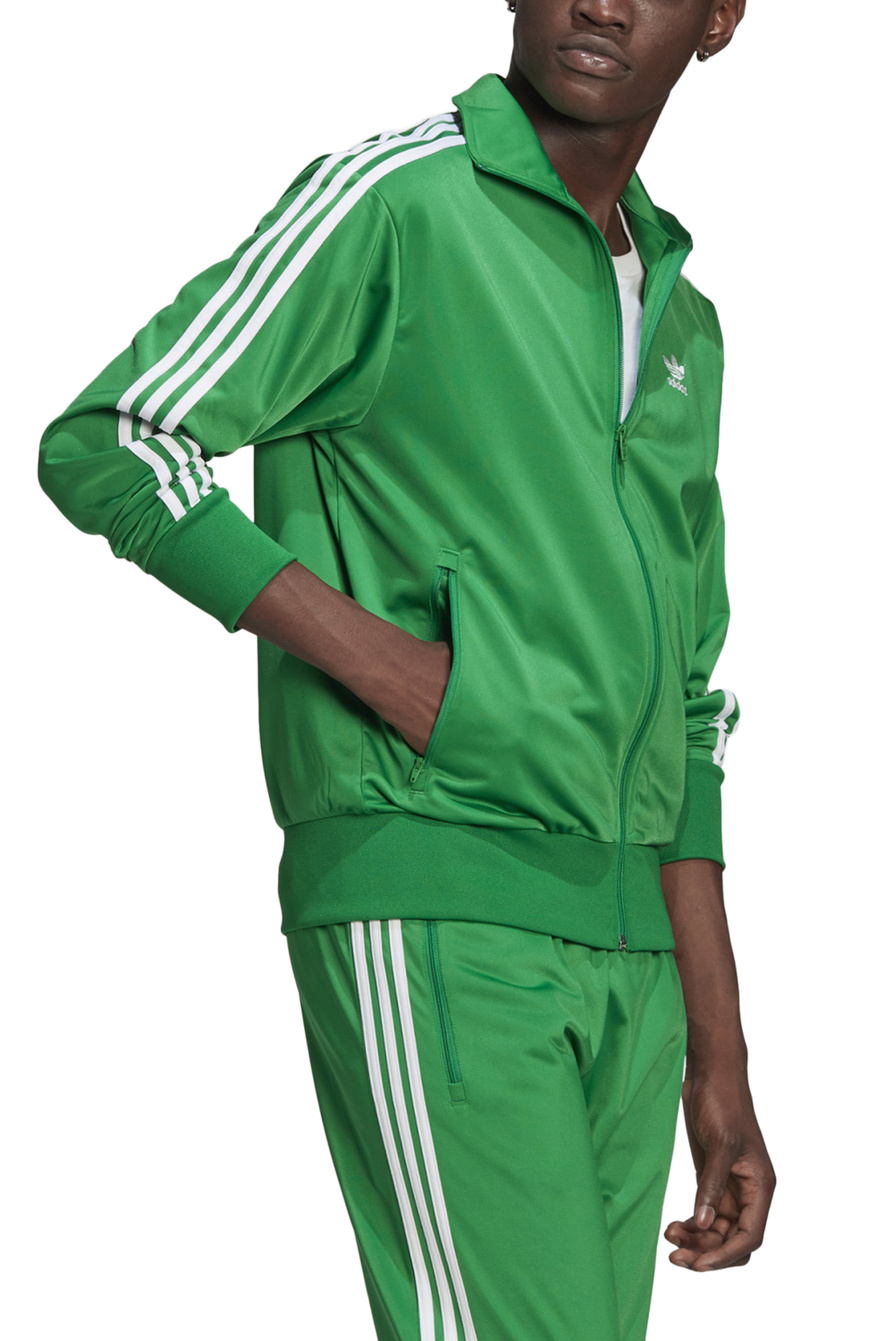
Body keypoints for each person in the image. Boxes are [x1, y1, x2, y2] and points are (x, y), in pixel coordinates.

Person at [38, 1, 776, 1337]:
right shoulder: (394, 205)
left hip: (633, 959)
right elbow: (115, 442)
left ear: (718, 18)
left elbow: (686, 697)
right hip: (434, 885)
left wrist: (717, 1062)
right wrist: (401, 676)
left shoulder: (685, 321)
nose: (601, 2)